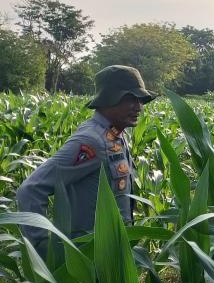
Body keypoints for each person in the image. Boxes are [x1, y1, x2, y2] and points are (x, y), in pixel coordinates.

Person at [16, 65, 155, 256]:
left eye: (140, 99)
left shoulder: (116, 134)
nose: (139, 106)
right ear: (108, 100)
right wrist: (42, 250)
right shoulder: (91, 140)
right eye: (130, 98)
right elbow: (31, 190)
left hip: (111, 253)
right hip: (88, 258)